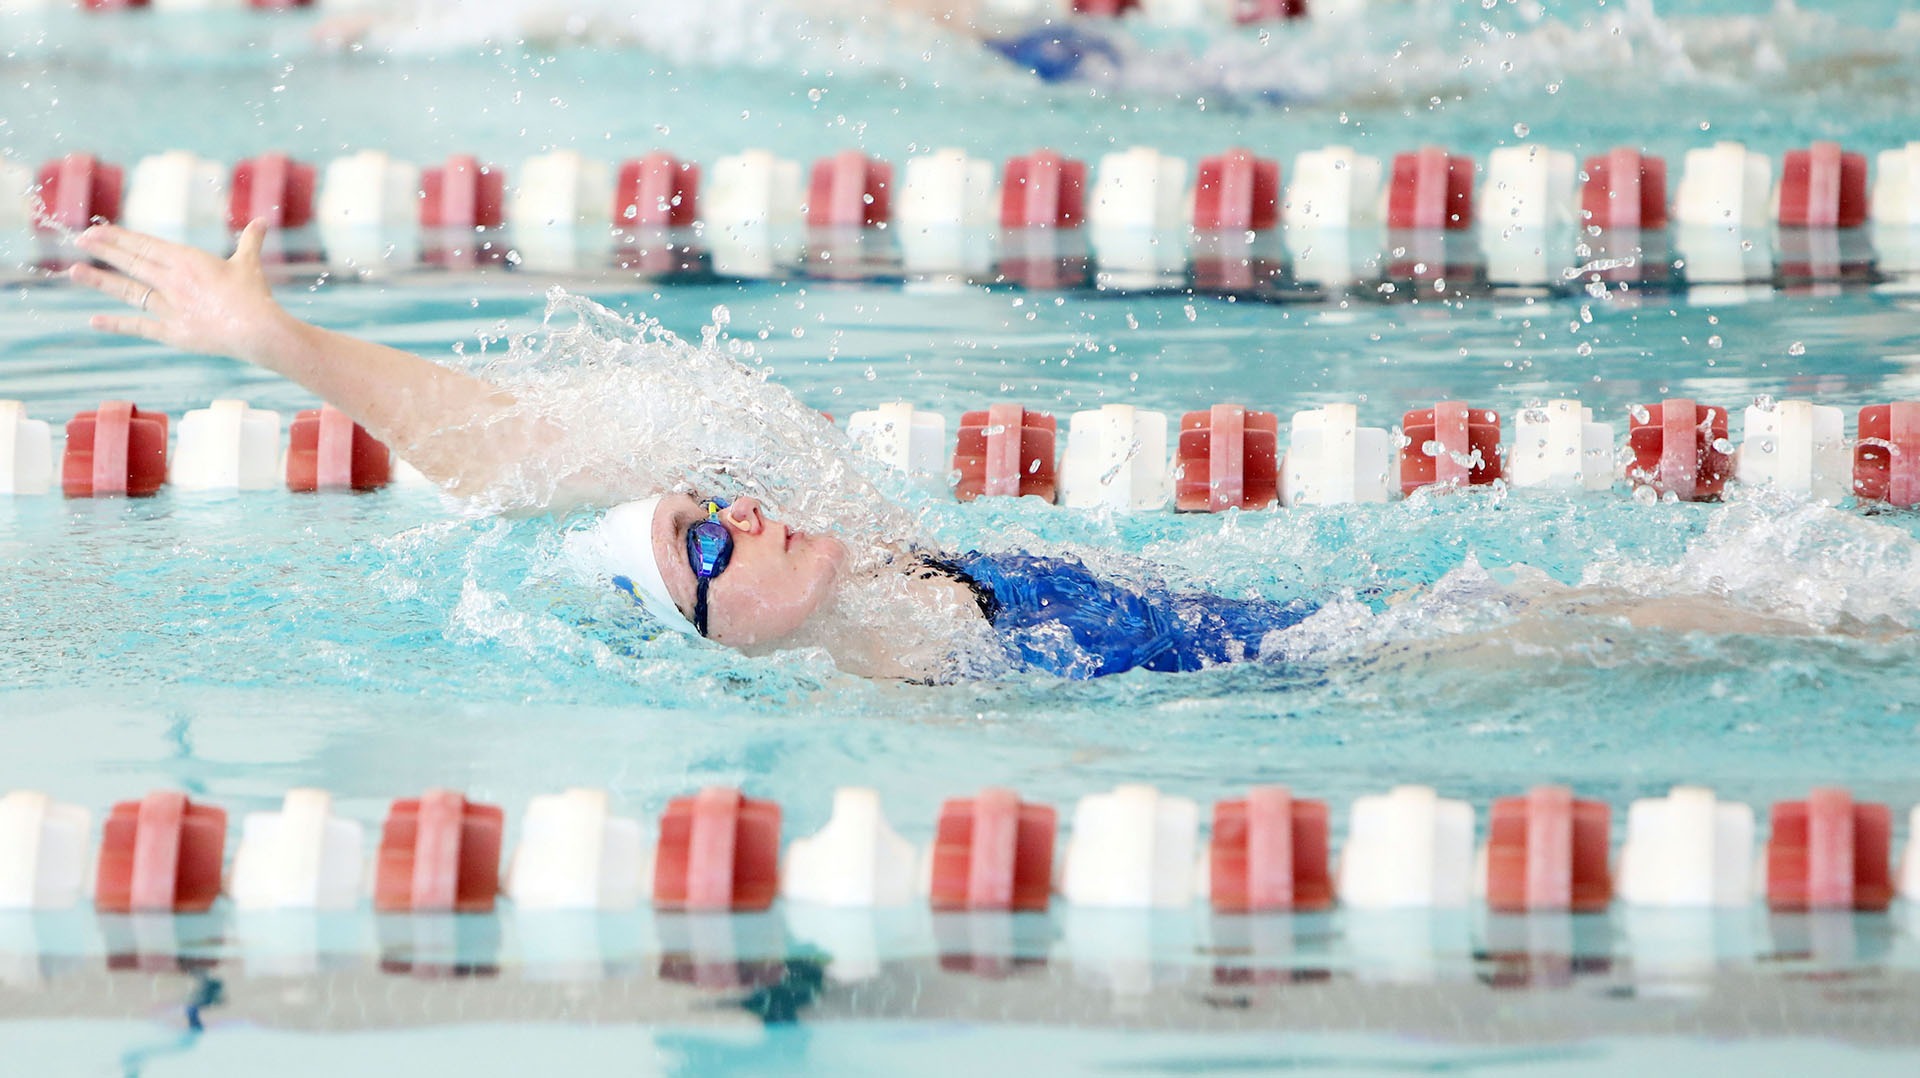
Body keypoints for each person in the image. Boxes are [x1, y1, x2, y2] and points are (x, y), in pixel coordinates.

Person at [71, 223, 1846, 682]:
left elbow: (514, 450)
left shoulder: (842, 554)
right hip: (1330, 679)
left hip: (1305, 631)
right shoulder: (875, 676)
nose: (741, 520)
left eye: (714, 513)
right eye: (708, 550)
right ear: (707, 649)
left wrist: (287, 347)